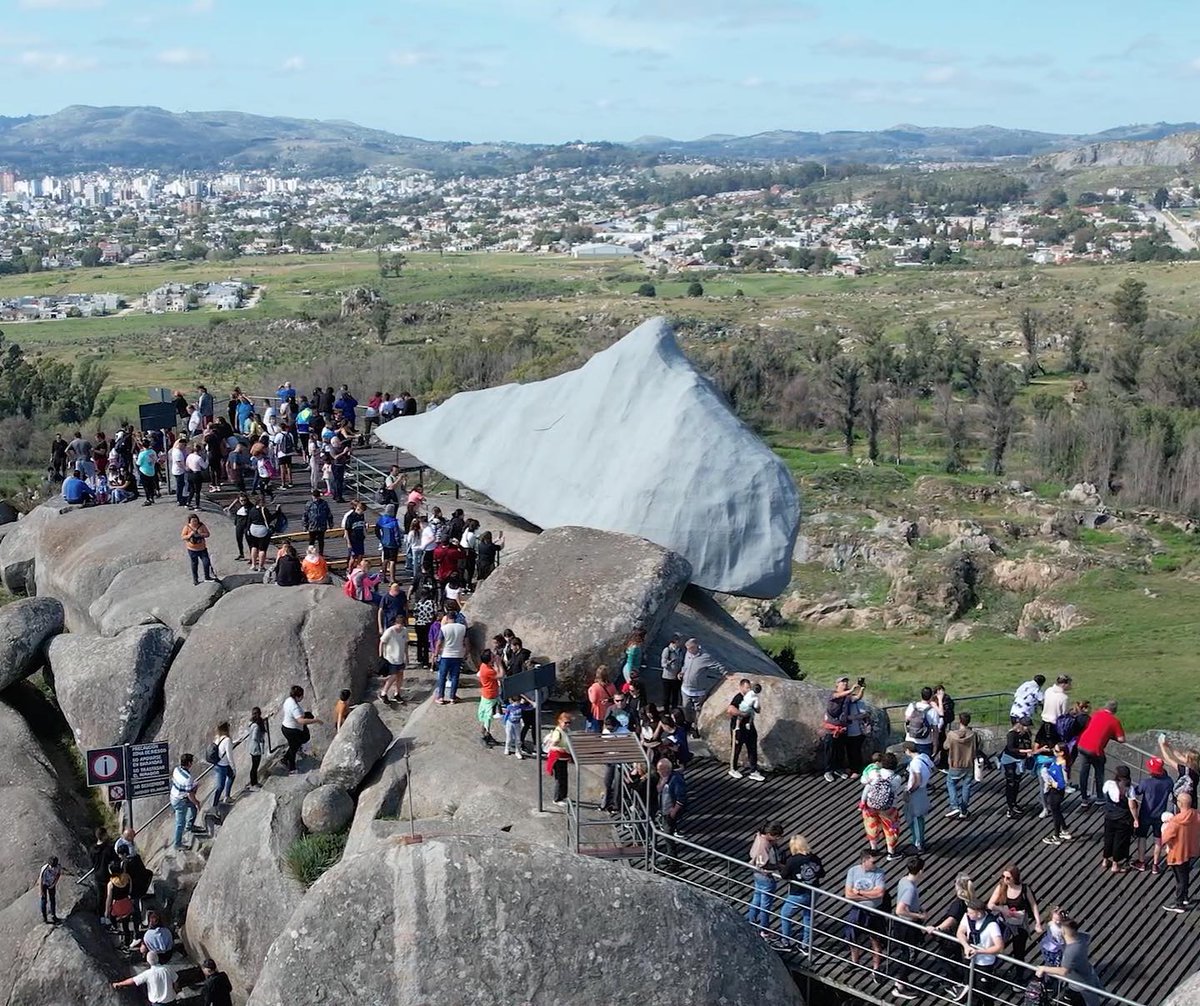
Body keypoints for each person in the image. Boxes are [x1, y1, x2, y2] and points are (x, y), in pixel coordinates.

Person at [772, 834, 823, 952]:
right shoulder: (814, 858)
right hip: (814, 891)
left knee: (785, 914)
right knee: (808, 918)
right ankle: (806, 945)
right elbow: (822, 873)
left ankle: (786, 942)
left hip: (799, 893)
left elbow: (784, 875)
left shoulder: (793, 860)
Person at [1037, 919, 1105, 1006]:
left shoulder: (1071, 951)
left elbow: (1063, 971)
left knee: (1088, 1002)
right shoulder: (1082, 938)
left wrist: (1044, 968)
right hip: (1086, 974)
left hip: (1080, 984)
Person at [844, 848, 888, 974]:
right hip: (857, 909)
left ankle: (876, 967)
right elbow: (848, 894)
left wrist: (860, 892)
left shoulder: (879, 873)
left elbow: (880, 893)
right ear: (864, 861)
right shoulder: (853, 871)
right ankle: (854, 961)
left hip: (874, 910)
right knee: (851, 935)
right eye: (873, 862)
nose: (876, 864)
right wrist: (870, 893)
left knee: (876, 939)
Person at [890, 856, 928, 1001]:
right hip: (906, 926)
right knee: (910, 955)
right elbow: (900, 909)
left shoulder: (903, 880)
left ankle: (903, 982)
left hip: (901, 924)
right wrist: (919, 917)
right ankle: (899, 985)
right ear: (921, 871)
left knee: (906, 952)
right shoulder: (911, 888)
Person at [987, 862, 1042, 960]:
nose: (1005, 880)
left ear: (1015, 878)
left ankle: (1019, 973)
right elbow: (990, 905)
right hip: (1005, 920)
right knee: (997, 944)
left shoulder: (1024, 888)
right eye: (1003, 876)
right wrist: (1002, 909)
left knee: (1019, 951)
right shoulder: (1001, 887)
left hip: (1020, 922)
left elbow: (1033, 905)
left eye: (1008, 878)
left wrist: (1038, 922)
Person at [1076, 700, 1125, 806]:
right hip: (1095, 750)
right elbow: (1121, 739)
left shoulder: (1096, 714)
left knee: (1084, 772)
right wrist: (1111, 735)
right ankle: (1099, 796)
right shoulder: (1114, 721)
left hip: (1082, 744)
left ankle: (1084, 798)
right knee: (1099, 771)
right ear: (1115, 710)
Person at [1132, 757, 1175, 873]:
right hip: (1160, 815)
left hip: (1146, 813)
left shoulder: (1146, 783)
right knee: (1158, 839)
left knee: (1142, 837)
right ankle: (1155, 865)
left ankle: (1141, 862)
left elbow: (1136, 792)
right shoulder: (1169, 782)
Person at [860, 751, 905, 860]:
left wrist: (862, 801)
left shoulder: (874, 773)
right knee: (890, 828)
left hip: (871, 805)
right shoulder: (897, 778)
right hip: (888, 808)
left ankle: (874, 848)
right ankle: (891, 852)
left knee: (871, 825)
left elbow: (865, 783)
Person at [1161, 790, 1199, 913]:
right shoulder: (1196, 815)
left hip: (1177, 853)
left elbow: (1165, 837)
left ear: (1179, 804)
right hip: (1190, 850)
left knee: (1180, 879)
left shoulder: (1175, 821)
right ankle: (1185, 897)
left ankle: (1179, 903)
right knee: (1185, 875)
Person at [1001, 717, 1042, 819]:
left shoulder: (1027, 734)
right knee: (1011, 782)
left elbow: (1028, 744)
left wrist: (1029, 752)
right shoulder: (1012, 734)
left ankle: (1014, 803)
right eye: (1026, 726)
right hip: (1010, 758)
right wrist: (1025, 751)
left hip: (1020, 759)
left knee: (1017, 781)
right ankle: (1010, 806)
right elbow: (1011, 748)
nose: (1027, 728)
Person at [822, 675, 859, 782]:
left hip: (842, 728)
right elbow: (837, 696)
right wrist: (851, 691)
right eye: (842, 682)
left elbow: (856, 698)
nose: (845, 684)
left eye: (846, 682)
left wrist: (861, 690)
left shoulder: (847, 697)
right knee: (830, 751)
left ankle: (838, 769)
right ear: (837, 684)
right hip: (831, 729)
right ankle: (828, 771)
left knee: (840, 750)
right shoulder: (832, 694)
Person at [747, 822, 783, 931]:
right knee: (765, 905)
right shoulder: (764, 844)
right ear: (769, 834)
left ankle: (751, 921)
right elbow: (764, 863)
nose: (778, 838)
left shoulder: (759, 837)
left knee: (756, 898)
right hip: (765, 875)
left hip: (757, 873)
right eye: (777, 836)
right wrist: (778, 866)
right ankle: (764, 928)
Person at [1099, 764, 1136, 873]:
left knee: (1108, 838)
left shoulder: (1109, 784)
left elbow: (1105, 793)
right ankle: (1115, 865)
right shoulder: (1129, 788)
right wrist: (1136, 819)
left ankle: (1105, 860)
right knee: (1119, 841)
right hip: (1123, 818)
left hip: (1109, 815)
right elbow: (1132, 806)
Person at [728, 679, 765, 781]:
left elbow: (758, 710)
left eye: (749, 688)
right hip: (738, 728)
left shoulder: (751, 697)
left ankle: (753, 770)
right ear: (741, 687)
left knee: (752, 748)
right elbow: (730, 709)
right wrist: (742, 714)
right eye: (746, 688)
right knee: (736, 749)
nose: (748, 690)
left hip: (750, 727)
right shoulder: (738, 697)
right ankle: (733, 768)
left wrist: (756, 705)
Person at [944, 712, 978, 819]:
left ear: (959, 721)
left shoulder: (952, 735)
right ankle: (964, 809)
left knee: (950, 783)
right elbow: (978, 745)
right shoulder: (973, 734)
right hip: (968, 764)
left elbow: (945, 746)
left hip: (955, 763)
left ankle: (955, 806)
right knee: (966, 786)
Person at [679, 638, 718, 732]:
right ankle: (688, 723)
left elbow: (717, 665)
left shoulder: (705, 656)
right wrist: (682, 672)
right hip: (685, 688)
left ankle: (696, 726)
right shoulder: (688, 654)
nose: (688, 651)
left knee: (697, 709)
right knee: (686, 707)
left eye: (690, 648)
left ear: (695, 647)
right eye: (687, 649)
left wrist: (726, 674)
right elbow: (685, 665)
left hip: (698, 690)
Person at [280, 685, 320, 774]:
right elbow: (301, 721)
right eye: (302, 696)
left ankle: (285, 758)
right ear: (298, 696)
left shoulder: (288, 700)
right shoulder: (295, 707)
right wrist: (315, 720)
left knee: (294, 745)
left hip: (286, 727)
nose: (302, 697)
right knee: (293, 748)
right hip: (292, 730)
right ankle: (292, 768)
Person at [904, 741, 935, 853]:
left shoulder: (914, 763)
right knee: (919, 817)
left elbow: (917, 780)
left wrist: (909, 790)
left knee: (914, 817)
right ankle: (919, 841)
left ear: (908, 750)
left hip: (916, 792)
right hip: (923, 790)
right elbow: (932, 767)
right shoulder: (924, 757)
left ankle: (918, 843)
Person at [111, 950, 177, 1003]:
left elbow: (133, 980)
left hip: (157, 1003)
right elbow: (176, 981)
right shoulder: (167, 969)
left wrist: (120, 984)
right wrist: (175, 990)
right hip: (171, 1000)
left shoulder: (148, 974)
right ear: (158, 958)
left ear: (148, 962)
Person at [1041, 744, 1075, 846]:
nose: (1053, 751)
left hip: (1056, 792)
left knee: (1055, 812)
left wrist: (1050, 782)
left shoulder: (1062, 764)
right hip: (1053, 791)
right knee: (1057, 811)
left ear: (1061, 753)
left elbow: (1061, 783)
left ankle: (1056, 836)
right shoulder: (1056, 760)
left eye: (1056, 750)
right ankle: (1064, 830)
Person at [433, 611, 468, 704]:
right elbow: (466, 642)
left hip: (446, 654)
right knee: (455, 676)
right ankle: (453, 697)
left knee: (442, 676)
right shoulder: (463, 628)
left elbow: (439, 643)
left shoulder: (444, 628)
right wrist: (466, 653)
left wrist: (435, 654)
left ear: (447, 618)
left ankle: (441, 697)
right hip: (458, 654)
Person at [657, 756, 687, 865]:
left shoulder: (676, 779)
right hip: (664, 809)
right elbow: (658, 790)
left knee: (668, 834)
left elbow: (681, 798)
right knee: (666, 835)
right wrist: (663, 781)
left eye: (660, 770)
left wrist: (673, 812)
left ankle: (674, 861)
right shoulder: (664, 778)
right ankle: (670, 856)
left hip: (670, 811)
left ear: (666, 769)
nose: (658, 772)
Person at [169, 753, 201, 851]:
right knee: (180, 823)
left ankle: (190, 826)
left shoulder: (176, 769)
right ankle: (177, 844)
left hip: (174, 795)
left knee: (192, 809)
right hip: (180, 800)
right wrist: (197, 802)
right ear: (189, 763)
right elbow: (190, 795)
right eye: (191, 762)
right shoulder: (188, 778)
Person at [902, 686, 942, 757]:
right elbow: (935, 731)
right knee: (924, 764)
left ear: (921, 695)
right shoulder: (932, 711)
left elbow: (906, 721)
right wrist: (935, 745)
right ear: (931, 697)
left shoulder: (912, 706)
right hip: (924, 743)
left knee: (909, 764)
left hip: (910, 740)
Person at [545, 711, 574, 806]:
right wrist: (562, 749)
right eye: (565, 722)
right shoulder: (558, 733)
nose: (567, 724)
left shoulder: (565, 730)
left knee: (564, 778)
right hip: (558, 759)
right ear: (560, 721)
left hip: (563, 758)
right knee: (560, 779)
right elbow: (552, 747)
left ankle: (563, 796)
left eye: (569, 722)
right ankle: (557, 798)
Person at [379, 613, 408, 704]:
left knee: (400, 675)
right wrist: (381, 656)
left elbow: (405, 643)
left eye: (402, 624)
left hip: (400, 657)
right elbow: (382, 642)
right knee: (393, 675)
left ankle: (397, 693)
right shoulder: (389, 631)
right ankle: (383, 693)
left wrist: (406, 656)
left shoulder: (404, 630)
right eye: (399, 624)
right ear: (395, 623)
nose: (400, 626)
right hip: (390, 657)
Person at [476, 649, 502, 747]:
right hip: (489, 696)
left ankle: (487, 734)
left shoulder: (485, 666)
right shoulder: (487, 670)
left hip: (489, 695)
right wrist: (499, 663)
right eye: (492, 655)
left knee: (487, 717)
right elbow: (501, 674)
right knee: (487, 717)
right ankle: (484, 736)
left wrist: (495, 663)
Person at [105, 861, 136, 942]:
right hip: (127, 903)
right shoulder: (127, 877)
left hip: (117, 905)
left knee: (112, 916)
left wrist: (107, 910)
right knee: (126, 925)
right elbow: (130, 890)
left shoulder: (111, 884)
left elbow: (109, 898)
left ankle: (115, 927)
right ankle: (127, 943)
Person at [1039, 674, 1073, 746]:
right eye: (1069, 684)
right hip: (1055, 724)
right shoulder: (1064, 697)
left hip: (1044, 720)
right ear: (1064, 684)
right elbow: (1064, 713)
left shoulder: (1048, 690)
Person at [209, 722, 234, 807]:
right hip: (223, 766)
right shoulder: (227, 740)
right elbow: (229, 755)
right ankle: (214, 805)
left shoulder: (217, 738)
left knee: (231, 776)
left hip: (218, 764)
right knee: (220, 787)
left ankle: (227, 796)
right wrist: (233, 767)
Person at [376, 503, 403, 582]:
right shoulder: (394, 522)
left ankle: (383, 577)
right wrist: (399, 544)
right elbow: (396, 535)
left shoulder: (382, 519)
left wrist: (381, 538)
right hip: (393, 544)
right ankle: (392, 579)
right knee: (392, 561)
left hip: (384, 542)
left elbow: (377, 530)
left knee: (385, 559)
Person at [587, 666, 616, 733]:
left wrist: (589, 691)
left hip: (599, 712)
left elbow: (593, 700)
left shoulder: (595, 686)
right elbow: (615, 696)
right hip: (609, 712)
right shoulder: (611, 685)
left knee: (597, 731)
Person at [342, 499, 368, 574]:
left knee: (360, 555)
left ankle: (358, 570)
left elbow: (362, 524)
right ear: (358, 509)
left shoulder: (361, 515)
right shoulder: (350, 517)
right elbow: (347, 530)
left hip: (360, 538)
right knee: (353, 557)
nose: (362, 513)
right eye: (361, 511)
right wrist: (348, 542)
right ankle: (349, 570)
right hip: (353, 539)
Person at [38, 855, 61, 925]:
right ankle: (44, 917)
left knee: (52, 900)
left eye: (54, 866)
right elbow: (40, 879)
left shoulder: (58, 867)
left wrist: (54, 884)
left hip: (51, 884)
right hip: (44, 884)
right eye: (51, 866)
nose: (53, 868)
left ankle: (53, 916)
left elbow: (58, 875)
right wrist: (41, 890)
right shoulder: (45, 868)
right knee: (44, 901)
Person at [246, 707, 266, 790]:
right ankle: (254, 783)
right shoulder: (257, 725)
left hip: (251, 747)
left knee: (254, 766)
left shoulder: (251, 723)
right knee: (255, 766)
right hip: (256, 748)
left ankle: (253, 782)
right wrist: (260, 739)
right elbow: (255, 737)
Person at [135, 438, 159, 505]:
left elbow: (138, 463)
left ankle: (148, 499)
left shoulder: (142, 454)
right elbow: (156, 460)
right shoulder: (153, 452)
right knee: (151, 485)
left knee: (146, 487)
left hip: (144, 471)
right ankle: (152, 497)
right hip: (151, 470)